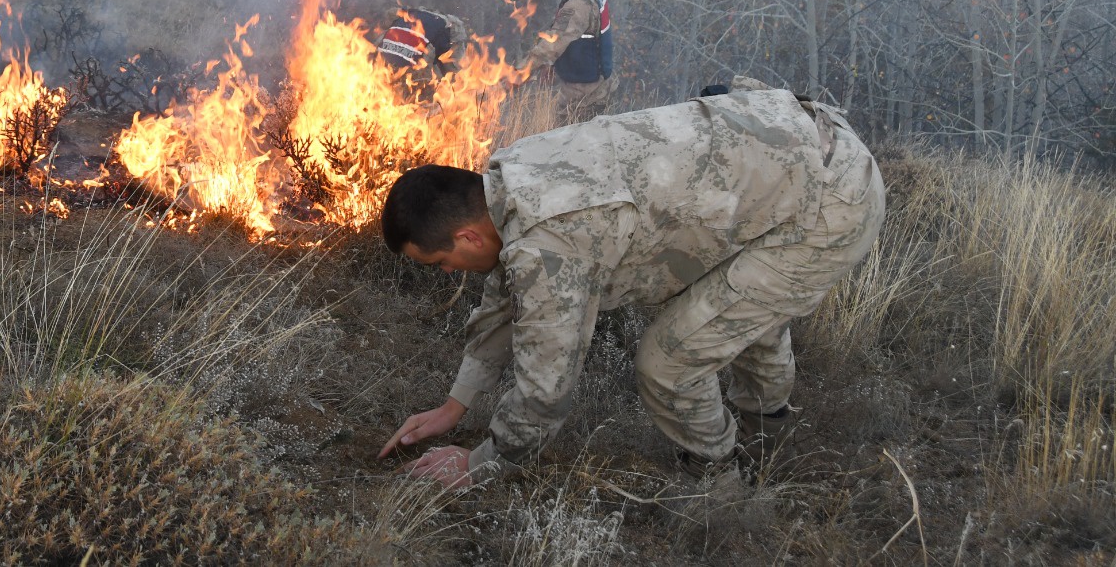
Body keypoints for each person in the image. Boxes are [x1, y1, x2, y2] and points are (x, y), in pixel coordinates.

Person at [376, 82, 885, 488]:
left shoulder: (545, 241)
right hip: (793, 145)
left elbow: (545, 392)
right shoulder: (511, 173)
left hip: (831, 204)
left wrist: (479, 465)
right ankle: (763, 444)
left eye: (440, 260)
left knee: (671, 362)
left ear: (466, 235)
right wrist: (456, 403)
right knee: (727, 313)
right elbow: (507, 294)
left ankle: (720, 482)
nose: (445, 273)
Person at [522, 0, 614, 122]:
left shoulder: (580, 2)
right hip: (589, 90)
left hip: (583, 99)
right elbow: (575, 37)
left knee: (566, 149)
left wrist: (519, 73)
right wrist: (552, 66)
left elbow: (553, 42)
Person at [376, 6, 469, 83]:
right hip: (409, 75)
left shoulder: (402, 18)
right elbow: (451, 71)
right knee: (452, 76)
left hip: (378, 70)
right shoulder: (450, 28)